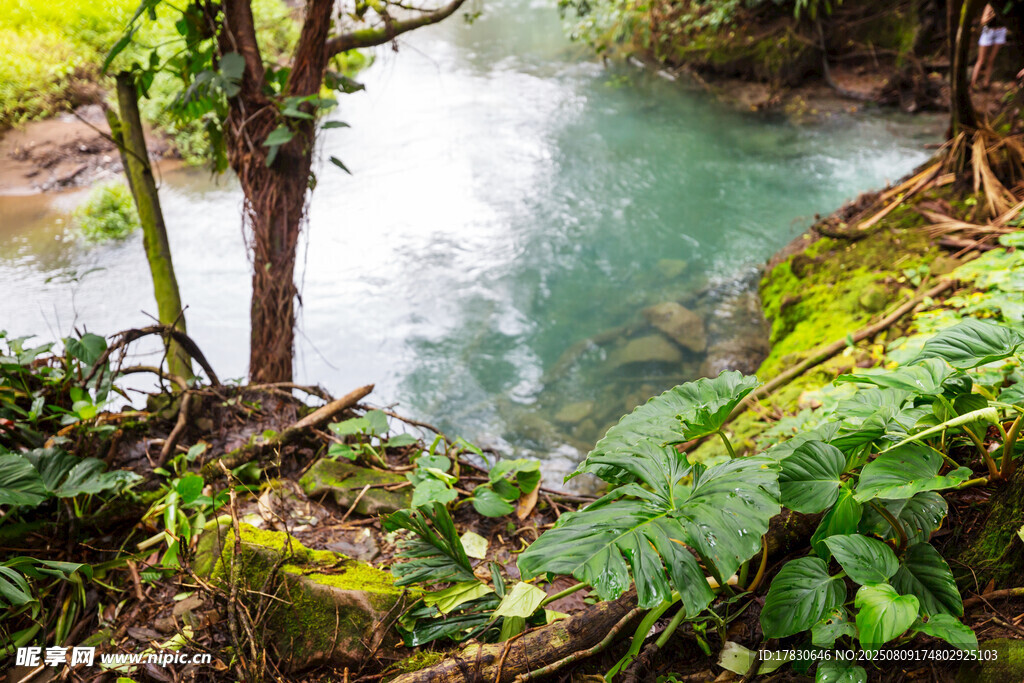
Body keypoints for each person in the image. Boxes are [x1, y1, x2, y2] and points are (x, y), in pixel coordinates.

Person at [972, 4, 1007, 90]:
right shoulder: (991, 5)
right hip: (988, 31)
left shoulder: (1006, 5)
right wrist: (993, 14)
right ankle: (973, 83)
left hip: (1000, 31)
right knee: (981, 60)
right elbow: (983, 21)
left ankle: (986, 83)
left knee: (991, 60)